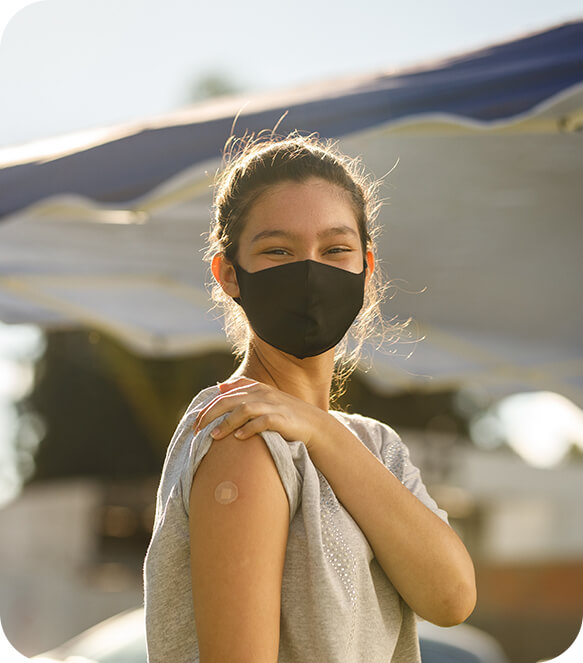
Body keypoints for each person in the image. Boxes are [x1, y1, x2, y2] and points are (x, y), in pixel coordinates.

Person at [143, 132, 476, 663]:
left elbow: (452, 598)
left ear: (366, 270)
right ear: (229, 273)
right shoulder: (242, 431)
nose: (309, 271)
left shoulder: (376, 444)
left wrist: (321, 430)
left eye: (335, 249)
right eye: (278, 250)